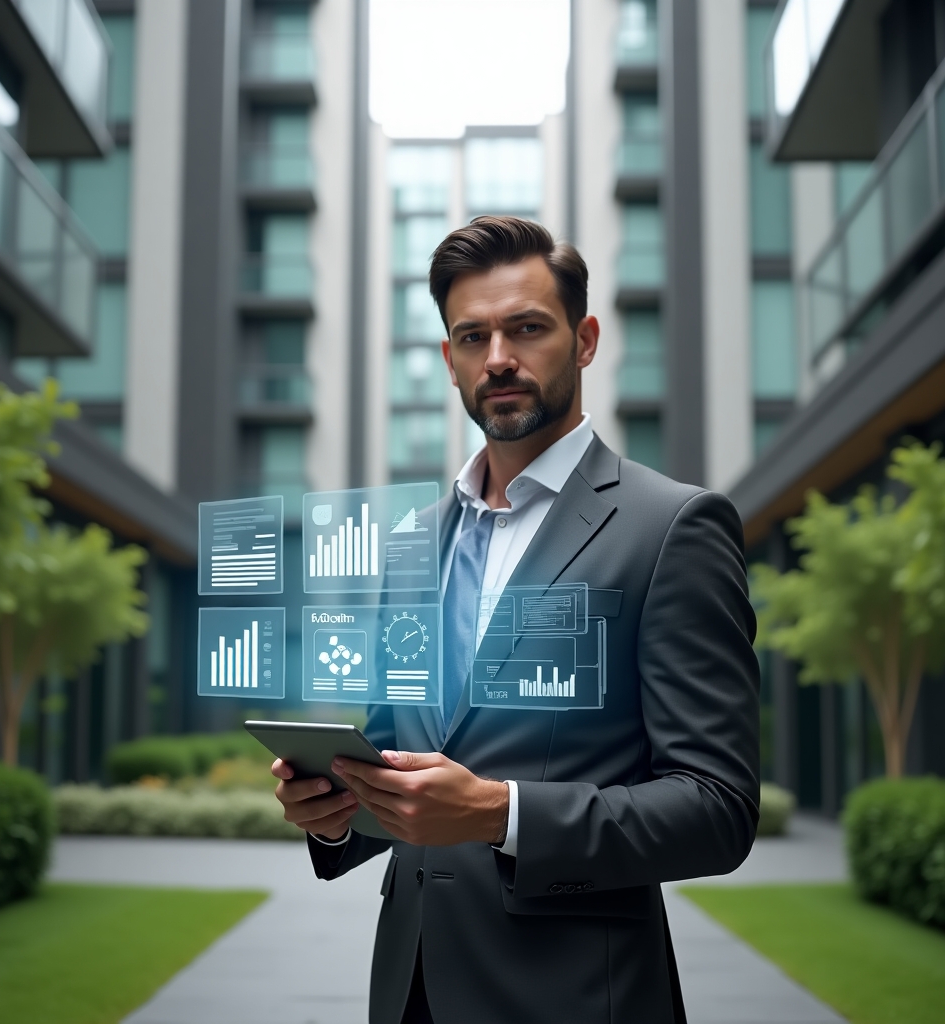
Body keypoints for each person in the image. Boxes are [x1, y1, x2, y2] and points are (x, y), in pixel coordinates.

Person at [272, 215, 760, 1024]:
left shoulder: (673, 528)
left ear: (585, 339)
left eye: (526, 328)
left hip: (576, 997)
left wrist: (505, 812)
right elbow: (403, 751)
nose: (497, 358)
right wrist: (335, 815)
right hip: (410, 991)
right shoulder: (413, 545)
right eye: (472, 336)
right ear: (448, 359)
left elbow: (716, 808)